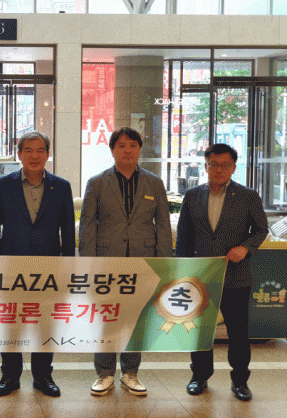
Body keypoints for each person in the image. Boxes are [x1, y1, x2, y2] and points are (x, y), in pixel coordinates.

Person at [79, 126, 172, 397]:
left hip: (143, 261)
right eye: (121, 146)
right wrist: (88, 264)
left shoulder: (154, 183)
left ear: (140, 149)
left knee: (136, 318)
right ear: (112, 150)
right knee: (107, 318)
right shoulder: (97, 183)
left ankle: (130, 373)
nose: (127, 150)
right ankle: (105, 373)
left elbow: (163, 225)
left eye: (132, 145)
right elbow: (87, 225)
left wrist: (163, 263)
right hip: (107, 261)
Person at [176, 143, 268, 402]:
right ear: (206, 166)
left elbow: (261, 229)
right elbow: (184, 235)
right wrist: (183, 272)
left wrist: (245, 248)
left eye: (225, 165)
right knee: (199, 331)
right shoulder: (192, 196)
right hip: (200, 276)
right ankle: (199, 376)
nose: (219, 169)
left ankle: (240, 381)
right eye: (214, 164)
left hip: (236, 275)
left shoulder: (248, 195)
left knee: (238, 332)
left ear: (233, 167)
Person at [0, 130, 75, 398]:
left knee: (44, 322)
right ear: (19, 154)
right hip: (11, 267)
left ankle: (43, 376)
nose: (34, 156)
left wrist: (67, 268)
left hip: (49, 268)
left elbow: (68, 231)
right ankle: (10, 376)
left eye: (40, 151)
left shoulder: (61, 187)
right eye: (28, 151)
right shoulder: (3, 185)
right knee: (10, 322)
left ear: (48, 154)